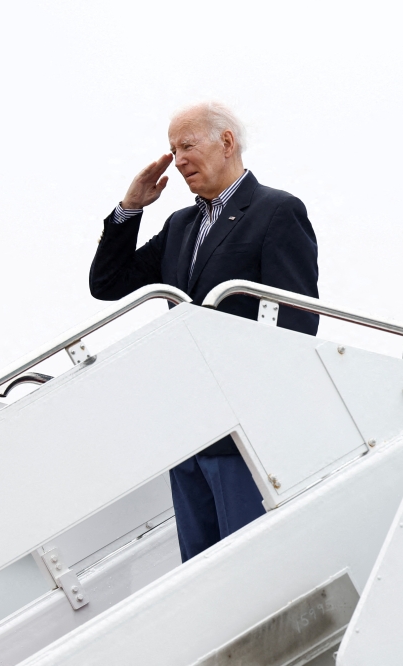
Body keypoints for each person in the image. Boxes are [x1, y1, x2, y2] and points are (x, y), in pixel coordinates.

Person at [89, 101, 319, 562]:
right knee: (198, 568)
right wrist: (129, 209)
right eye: (172, 149)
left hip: (241, 429)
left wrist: (252, 400)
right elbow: (108, 284)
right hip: (187, 427)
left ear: (226, 142)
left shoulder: (276, 211)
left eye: (187, 145)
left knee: (244, 566)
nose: (178, 160)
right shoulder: (181, 225)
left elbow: (297, 321)